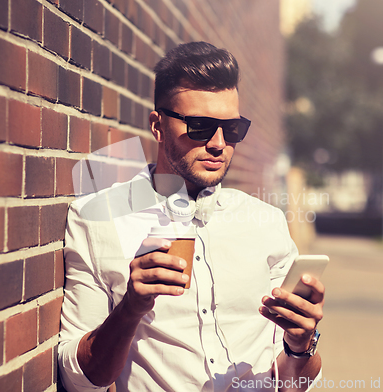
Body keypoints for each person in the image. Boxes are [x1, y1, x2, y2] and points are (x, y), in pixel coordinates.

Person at [58, 41, 325, 392]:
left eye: (232, 129)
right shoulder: (98, 218)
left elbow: (293, 384)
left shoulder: (266, 222)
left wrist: (301, 345)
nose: (218, 143)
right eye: (199, 126)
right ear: (157, 125)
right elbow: (79, 380)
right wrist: (130, 309)